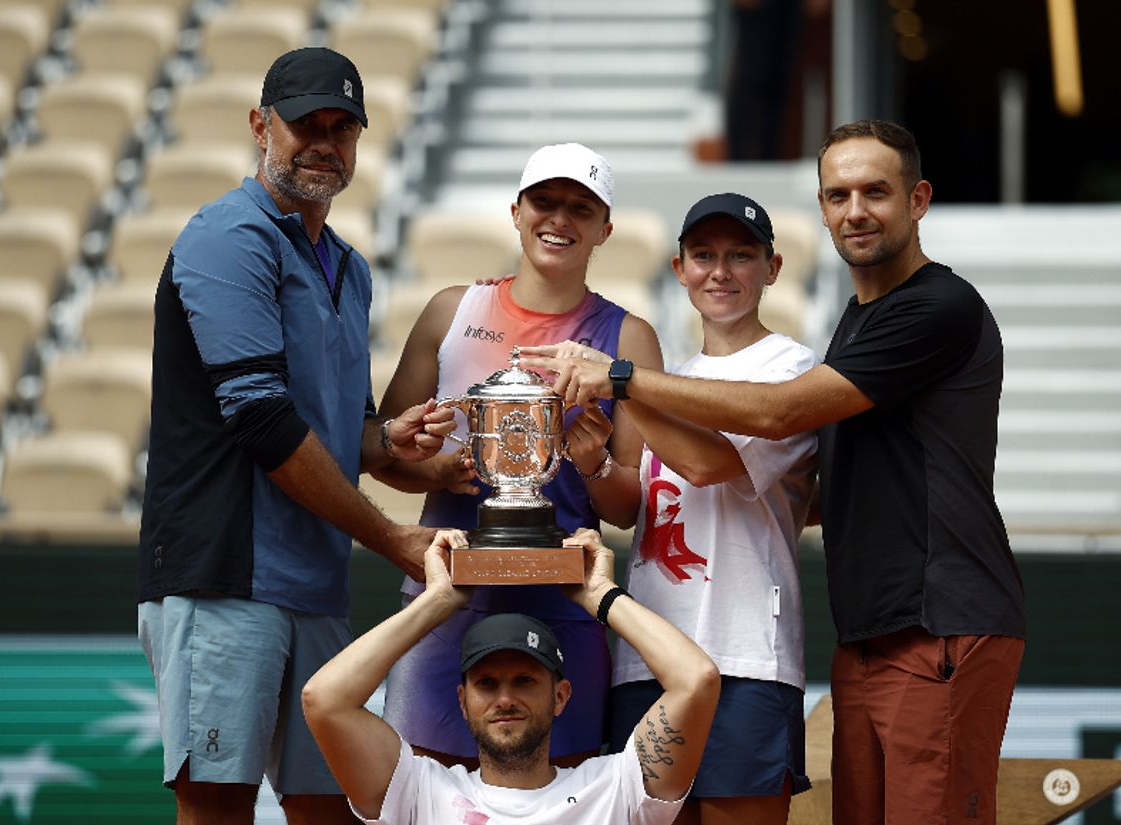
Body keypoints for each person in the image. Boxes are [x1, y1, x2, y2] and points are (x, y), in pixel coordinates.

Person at [522, 119, 1027, 825]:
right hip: (866, 628)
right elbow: (807, 483)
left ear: (918, 200)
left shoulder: (932, 307)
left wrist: (623, 377)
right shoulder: (858, 321)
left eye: (875, 191)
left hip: (934, 617)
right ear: (821, 207)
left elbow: (776, 416)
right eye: (839, 193)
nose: (855, 209)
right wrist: (601, 455)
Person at [137, 47, 456, 825]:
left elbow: (336, 428)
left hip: (314, 580)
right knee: (218, 805)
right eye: (304, 122)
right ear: (260, 126)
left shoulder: (348, 265)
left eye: (341, 127)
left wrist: (388, 440)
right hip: (224, 573)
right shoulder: (225, 236)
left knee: (333, 805)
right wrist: (391, 539)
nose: (324, 141)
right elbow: (262, 419)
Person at [371, 142, 664, 768]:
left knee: (564, 797)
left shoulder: (629, 337)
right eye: (545, 202)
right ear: (516, 210)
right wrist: (435, 465)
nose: (560, 219)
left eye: (580, 209)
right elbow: (380, 449)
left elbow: (630, 507)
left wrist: (592, 465)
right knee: (422, 792)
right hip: (446, 596)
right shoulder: (452, 311)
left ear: (604, 229)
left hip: (565, 604)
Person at [568, 193, 816, 825]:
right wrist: (592, 458)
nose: (720, 272)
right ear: (679, 270)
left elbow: (710, 465)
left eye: (740, 255)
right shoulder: (663, 376)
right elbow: (633, 509)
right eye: (703, 256)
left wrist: (621, 382)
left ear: (773, 268)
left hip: (745, 655)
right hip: (646, 655)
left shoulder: (790, 367)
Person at [301, 528, 721, 825]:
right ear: (463, 701)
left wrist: (599, 595)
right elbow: (324, 699)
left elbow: (696, 680)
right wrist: (436, 600)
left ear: (560, 696)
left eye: (524, 680)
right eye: (487, 684)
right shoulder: (418, 791)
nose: (505, 698)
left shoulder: (615, 788)